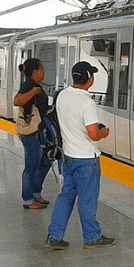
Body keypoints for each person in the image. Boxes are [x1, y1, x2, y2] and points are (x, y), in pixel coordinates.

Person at [45, 61, 114, 250]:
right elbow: (93, 133)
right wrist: (104, 132)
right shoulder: (86, 102)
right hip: (86, 160)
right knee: (87, 199)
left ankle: (54, 236)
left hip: (68, 157)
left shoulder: (63, 95)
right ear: (90, 80)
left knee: (66, 196)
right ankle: (92, 237)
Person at [13, 58, 53, 210]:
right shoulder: (29, 85)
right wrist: (34, 91)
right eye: (42, 69)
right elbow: (17, 101)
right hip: (31, 133)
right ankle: (28, 199)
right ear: (35, 72)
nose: (44, 72)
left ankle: (36, 192)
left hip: (40, 131)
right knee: (31, 166)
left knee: (45, 162)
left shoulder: (36, 85)